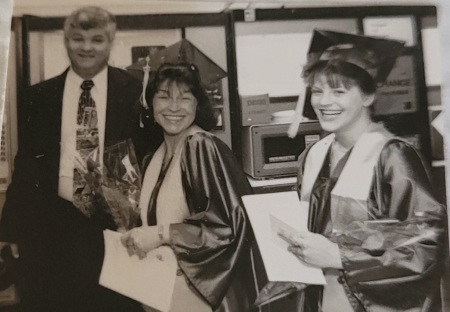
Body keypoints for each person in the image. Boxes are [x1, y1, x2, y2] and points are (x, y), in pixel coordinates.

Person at [0, 6, 157, 311]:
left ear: (110, 43)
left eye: (97, 39)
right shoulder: (39, 96)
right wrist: (10, 232)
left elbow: (150, 158)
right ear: (66, 41)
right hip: (52, 225)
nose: (87, 47)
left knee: (116, 306)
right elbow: (27, 165)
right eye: (78, 39)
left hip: (115, 226)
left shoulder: (135, 92)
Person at [284, 30, 447, 312]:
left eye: (339, 91)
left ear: (369, 95)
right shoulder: (313, 155)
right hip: (320, 297)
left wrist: (340, 256)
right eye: (318, 91)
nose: (324, 102)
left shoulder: (392, 156)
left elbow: (424, 249)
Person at [120, 63, 258, 312]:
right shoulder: (154, 157)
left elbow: (227, 228)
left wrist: (161, 234)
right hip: (161, 289)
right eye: (163, 97)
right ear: (150, 103)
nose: (174, 107)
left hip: (202, 296)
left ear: (198, 104)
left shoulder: (201, 146)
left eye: (185, 98)